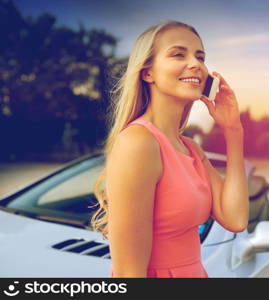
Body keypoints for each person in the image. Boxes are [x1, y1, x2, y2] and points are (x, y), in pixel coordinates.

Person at [91, 20, 249, 278]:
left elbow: (236, 219)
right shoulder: (138, 142)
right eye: (178, 54)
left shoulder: (191, 149)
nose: (196, 64)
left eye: (201, 56)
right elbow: (128, 274)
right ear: (147, 72)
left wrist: (233, 131)